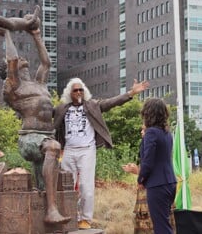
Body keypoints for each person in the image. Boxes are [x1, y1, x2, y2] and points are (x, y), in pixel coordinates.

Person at [0, 5, 72, 224]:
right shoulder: (15, 87)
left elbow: (46, 62)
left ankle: (46, 214)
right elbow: (12, 60)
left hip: (45, 137)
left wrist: (36, 34)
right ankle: (51, 211)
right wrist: (7, 32)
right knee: (54, 148)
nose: (22, 59)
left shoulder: (38, 83)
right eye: (18, 61)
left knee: (45, 183)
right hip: (29, 139)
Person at [54, 77, 149, 229]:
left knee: (86, 186)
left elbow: (111, 102)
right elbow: (45, 115)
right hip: (69, 151)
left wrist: (131, 93)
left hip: (87, 150)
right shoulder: (61, 109)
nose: (78, 92)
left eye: (81, 89)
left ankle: (85, 219)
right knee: (66, 186)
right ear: (69, 93)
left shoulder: (92, 105)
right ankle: (70, 216)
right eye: (75, 90)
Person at [138, 98, 177, 234]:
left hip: (157, 184)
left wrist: (141, 179)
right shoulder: (167, 134)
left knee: (161, 227)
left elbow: (147, 160)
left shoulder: (151, 133)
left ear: (148, 113)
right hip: (170, 182)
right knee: (164, 223)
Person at [122, 124, 153, 234]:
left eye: (144, 130)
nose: (141, 132)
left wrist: (137, 171)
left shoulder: (153, 146)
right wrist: (134, 169)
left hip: (150, 194)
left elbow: (151, 171)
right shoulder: (146, 146)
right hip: (144, 194)